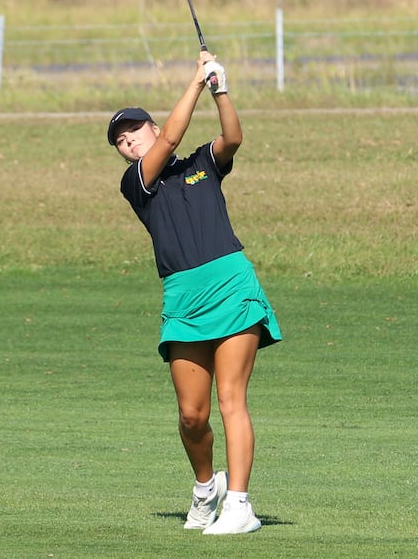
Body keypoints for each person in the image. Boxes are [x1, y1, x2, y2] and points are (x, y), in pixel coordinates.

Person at [107, 51, 282, 535]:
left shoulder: (203, 164)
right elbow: (170, 137)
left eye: (134, 132)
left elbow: (233, 139)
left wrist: (221, 89)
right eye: (121, 142)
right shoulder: (137, 182)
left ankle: (241, 506)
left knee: (231, 399)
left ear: (148, 125)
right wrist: (196, 82)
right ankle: (207, 488)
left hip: (230, 284)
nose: (129, 143)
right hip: (183, 298)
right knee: (191, 415)